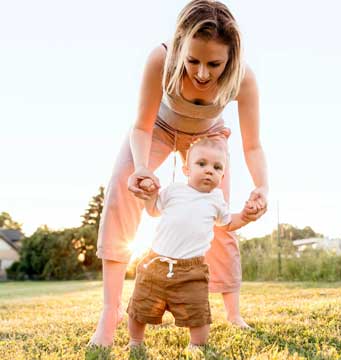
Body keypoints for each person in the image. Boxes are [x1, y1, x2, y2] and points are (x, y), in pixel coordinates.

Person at [89, 0, 268, 347]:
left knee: (219, 212)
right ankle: (109, 314)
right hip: (157, 129)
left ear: (231, 58)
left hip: (208, 137)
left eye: (214, 64)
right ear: (181, 45)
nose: (202, 73)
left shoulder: (243, 79)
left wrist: (262, 186)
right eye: (193, 61)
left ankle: (233, 311)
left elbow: (253, 146)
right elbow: (140, 126)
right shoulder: (161, 59)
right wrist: (141, 168)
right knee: (120, 192)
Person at [127, 138, 256, 354]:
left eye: (217, 167)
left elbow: (229, 223)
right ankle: (135, 341)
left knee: (198, 313)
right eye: (201, 164)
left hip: (192, 270)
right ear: (187, 169)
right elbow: (153, 210)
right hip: (156, 264)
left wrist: (246, 216)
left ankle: (196, 345)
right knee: (140, 307)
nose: (209, 171)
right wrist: (149, 195)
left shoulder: (216, 199)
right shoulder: (174, 190)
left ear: (222, 176)